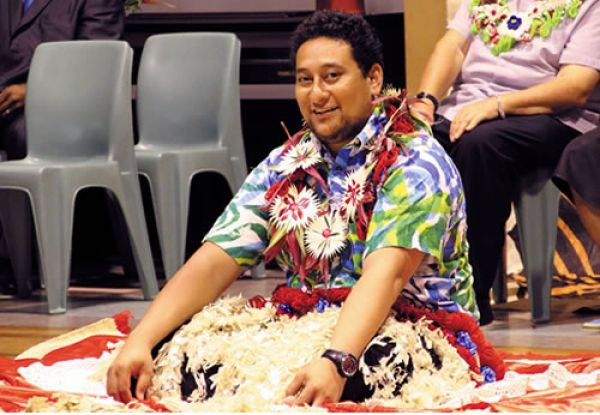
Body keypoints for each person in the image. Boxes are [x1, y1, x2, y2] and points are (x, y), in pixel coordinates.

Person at [107, 10, 501, 408]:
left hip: (414, 326)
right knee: (181, 353)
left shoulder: (415, 160)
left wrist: (336, 361)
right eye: (304, 80)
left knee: (373, 367)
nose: (317, 94)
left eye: (332, 76)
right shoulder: (288, 161)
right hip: (307, 319)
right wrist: (141, 339)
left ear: (374, 78)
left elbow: (389, 276)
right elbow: (218, 257)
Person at [414, 0, 600, 324]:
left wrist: (498, 105)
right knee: (409, 141)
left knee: (480, 145)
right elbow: (452, 46)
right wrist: (426, 101)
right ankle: (404, 288)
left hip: (551, 115)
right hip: (468, 108)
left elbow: (575, 87)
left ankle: (470, 298)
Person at [0, 0, 125, 293]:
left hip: (69, 110)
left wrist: (35, 90)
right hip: (5, 102)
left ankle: (15, 264)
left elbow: (96, 61)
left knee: (24, 133)